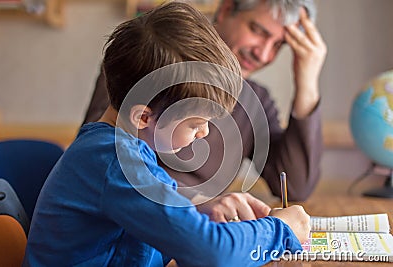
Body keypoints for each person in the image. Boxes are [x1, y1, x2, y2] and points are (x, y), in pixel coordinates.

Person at [23, 2, 310, 266]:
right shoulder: (117, 163)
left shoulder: (125, 153)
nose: (203, 134)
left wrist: (201, 217)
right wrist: (280, 230)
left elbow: (157, 238)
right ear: (144, 117)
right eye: (195, 125)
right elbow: (211, 254)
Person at [82, 0, 327, 207]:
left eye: (278, 45)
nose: (264, 55)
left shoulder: (255, 102)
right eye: (258, 31)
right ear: (225, 9)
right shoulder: (144, 59)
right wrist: (202, 207)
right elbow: (100, 162)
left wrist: (307, 84)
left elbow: (293, 188)